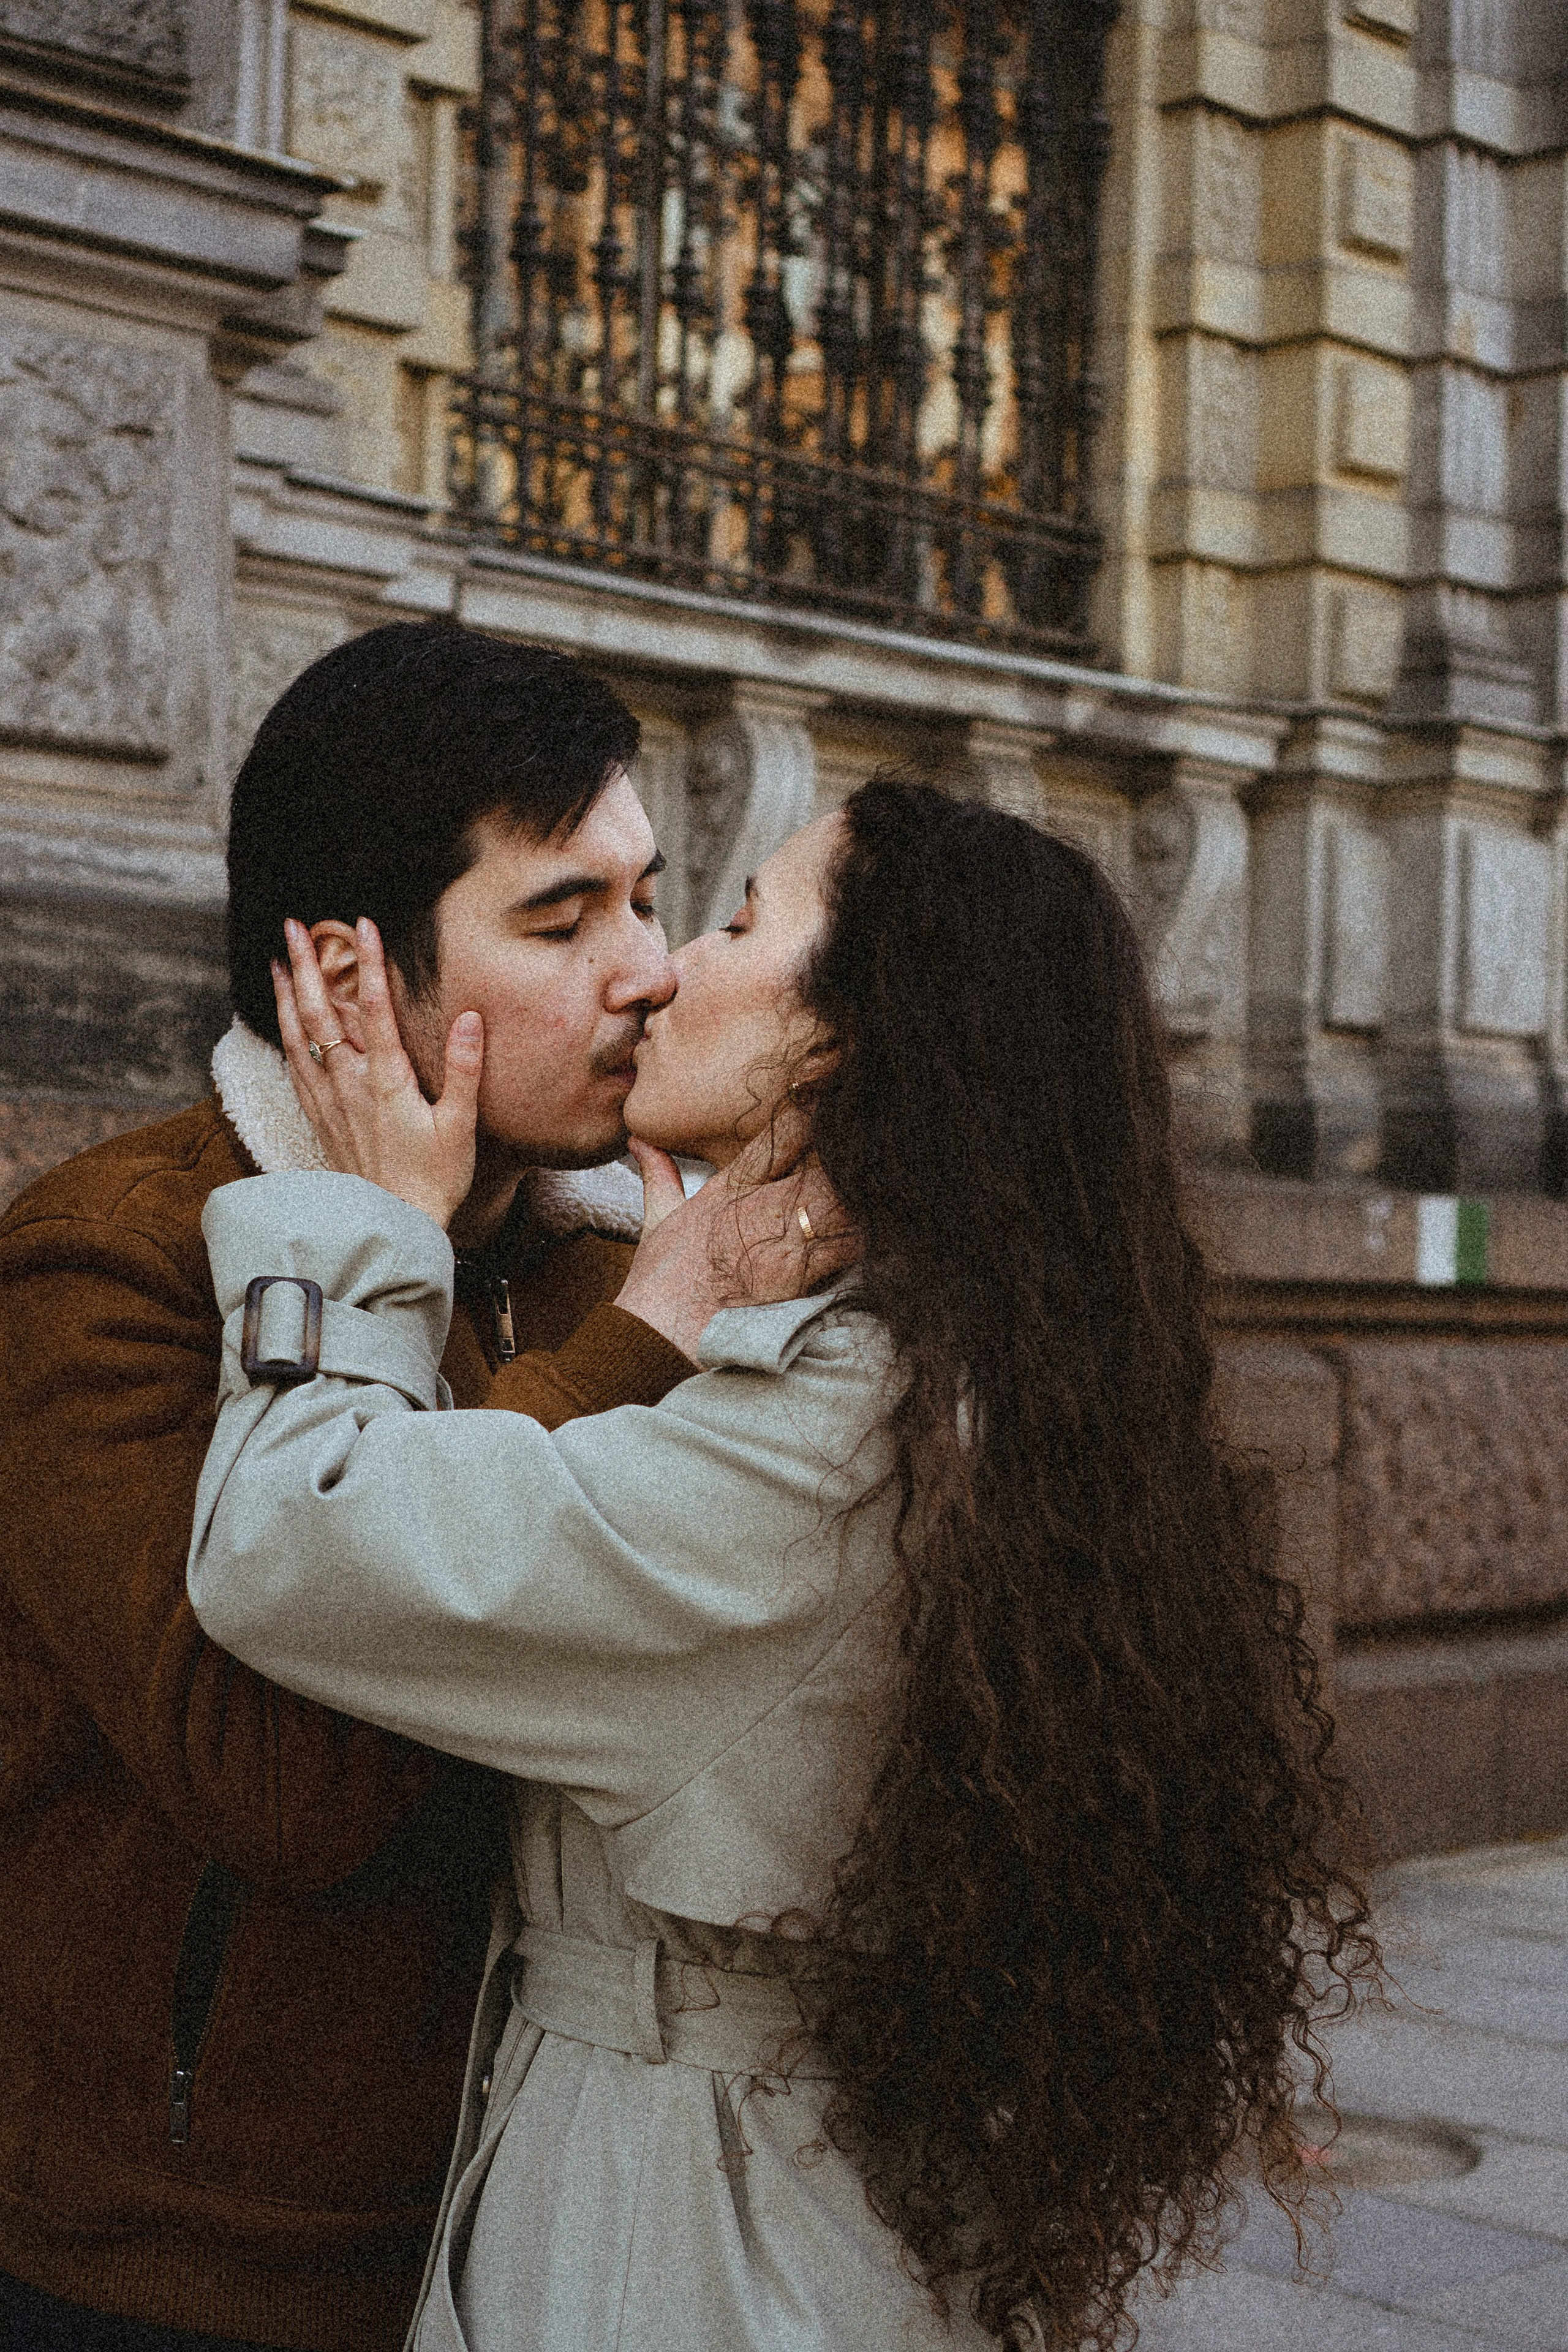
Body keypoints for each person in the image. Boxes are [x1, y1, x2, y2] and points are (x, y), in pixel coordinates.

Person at [185, 775, 1378, 2352]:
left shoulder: (824, 1444)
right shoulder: (961, 1369)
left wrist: (354, 1221)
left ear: (841, 1040)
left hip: (684, 2233)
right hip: (792, 2187)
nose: (664, 967)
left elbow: (292, 1540)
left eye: (739, 918)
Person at [0, 621, 835, 2352]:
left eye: (649, 898)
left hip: (499, 2237)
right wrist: (632, 1342)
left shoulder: (593, 1259)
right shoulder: (114, 1265)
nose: (652, 971)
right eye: (562, 919)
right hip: (166, 2265)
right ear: (350, 977)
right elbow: (291, 1786)